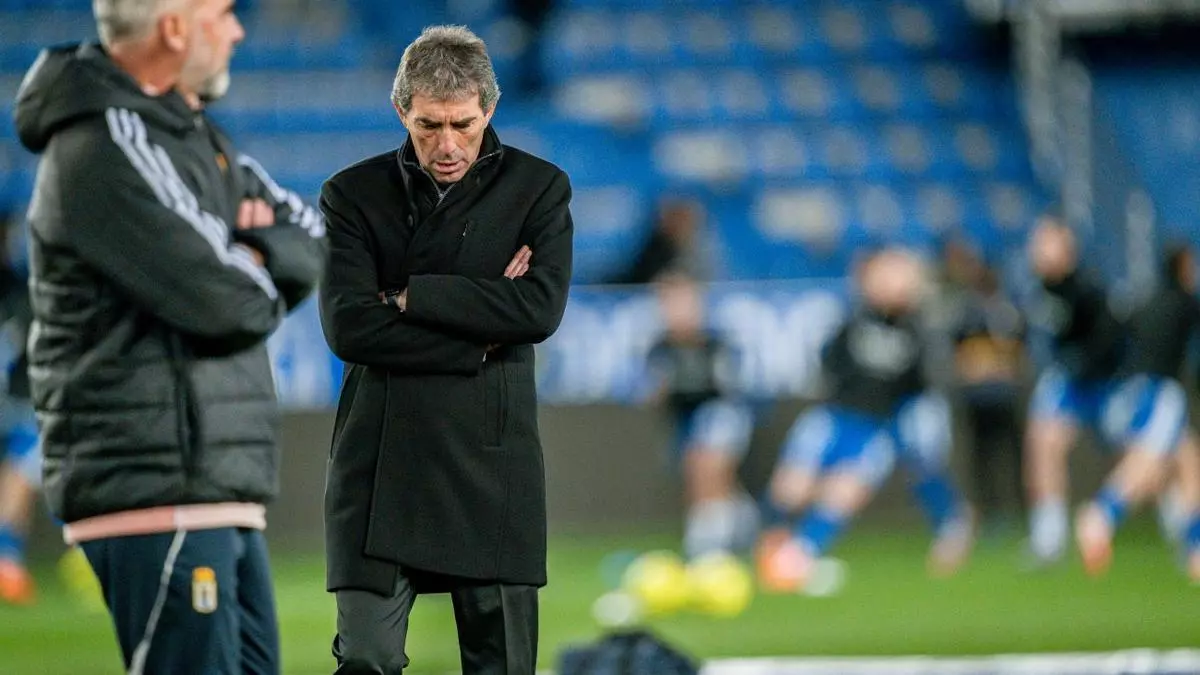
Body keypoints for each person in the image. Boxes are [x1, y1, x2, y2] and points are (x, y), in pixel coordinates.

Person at [13, 0, 327, 672]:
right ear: (175, 28)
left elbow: (308, 234)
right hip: (159, 489)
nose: (237, 30)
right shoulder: (107, 142)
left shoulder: (193, 132)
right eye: (223, 13)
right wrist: (251, 257)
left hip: (211, 485)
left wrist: (248, 255)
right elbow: (226, 301)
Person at [318, 25, 573, 674]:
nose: (448, 145)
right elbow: (349, 329)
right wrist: (479, 334)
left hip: (492, 464)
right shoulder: (351, 194)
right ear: (401, 110)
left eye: (464, 123)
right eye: (429, 125)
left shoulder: (540, 188)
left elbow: (538, 310)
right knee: (366, 660)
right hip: (378, 464)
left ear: (490, 108)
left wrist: (410, 296)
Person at [756, 249, 970, 592]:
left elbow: (923, 380)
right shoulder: (852, 320)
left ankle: (801, 555)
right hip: (834, 418)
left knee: (845, 490)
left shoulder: (918, 329)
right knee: (790, 488)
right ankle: (774, 548)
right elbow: (830, 363)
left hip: (876, 427)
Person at [1073, 244, 1200, 577]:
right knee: (1149, 463)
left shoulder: (1146, 301)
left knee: (1187, 460)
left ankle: (1193, 543)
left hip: (1126, 391)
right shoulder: (1186, 302)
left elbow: (1110, 338)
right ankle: (1102, 513)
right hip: (1160, 391)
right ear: (1183, 267)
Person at [1022, 213, 1126, 568]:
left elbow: (1108, 339)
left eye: (1046, 242)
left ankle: (1181, 525)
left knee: (1143, 454)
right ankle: (1049, 536)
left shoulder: (1088, 288)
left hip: (1104, 384)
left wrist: (1084, 363)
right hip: (1067, 382)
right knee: (1043, 442)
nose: (1038, 250)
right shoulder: (1038, 289)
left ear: (1067, 248)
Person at [644, 271, 758, 560]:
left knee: (706, 464)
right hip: (685, 422)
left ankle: (708, 542)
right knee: (704, 475)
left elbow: (734, 390)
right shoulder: (660, 349)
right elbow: (652, 393)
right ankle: (742, 520)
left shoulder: (715, 344)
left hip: (722, 413)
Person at [946, 242, 1028, 534]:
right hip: (978, 397)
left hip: (1004, 396)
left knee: (1015, 455)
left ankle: (1022, 510)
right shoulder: (967, 312)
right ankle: (990, 513)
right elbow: (959, 353)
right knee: (982, 458)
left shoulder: (1010, 312)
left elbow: (1020, 351)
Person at [0, 209, 39, 606]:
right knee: (19, 474)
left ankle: (9, 561)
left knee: (20, 473)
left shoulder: (22, 290)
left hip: (19, 400)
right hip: (16, 401)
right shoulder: (18, 291)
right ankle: (7, 559)